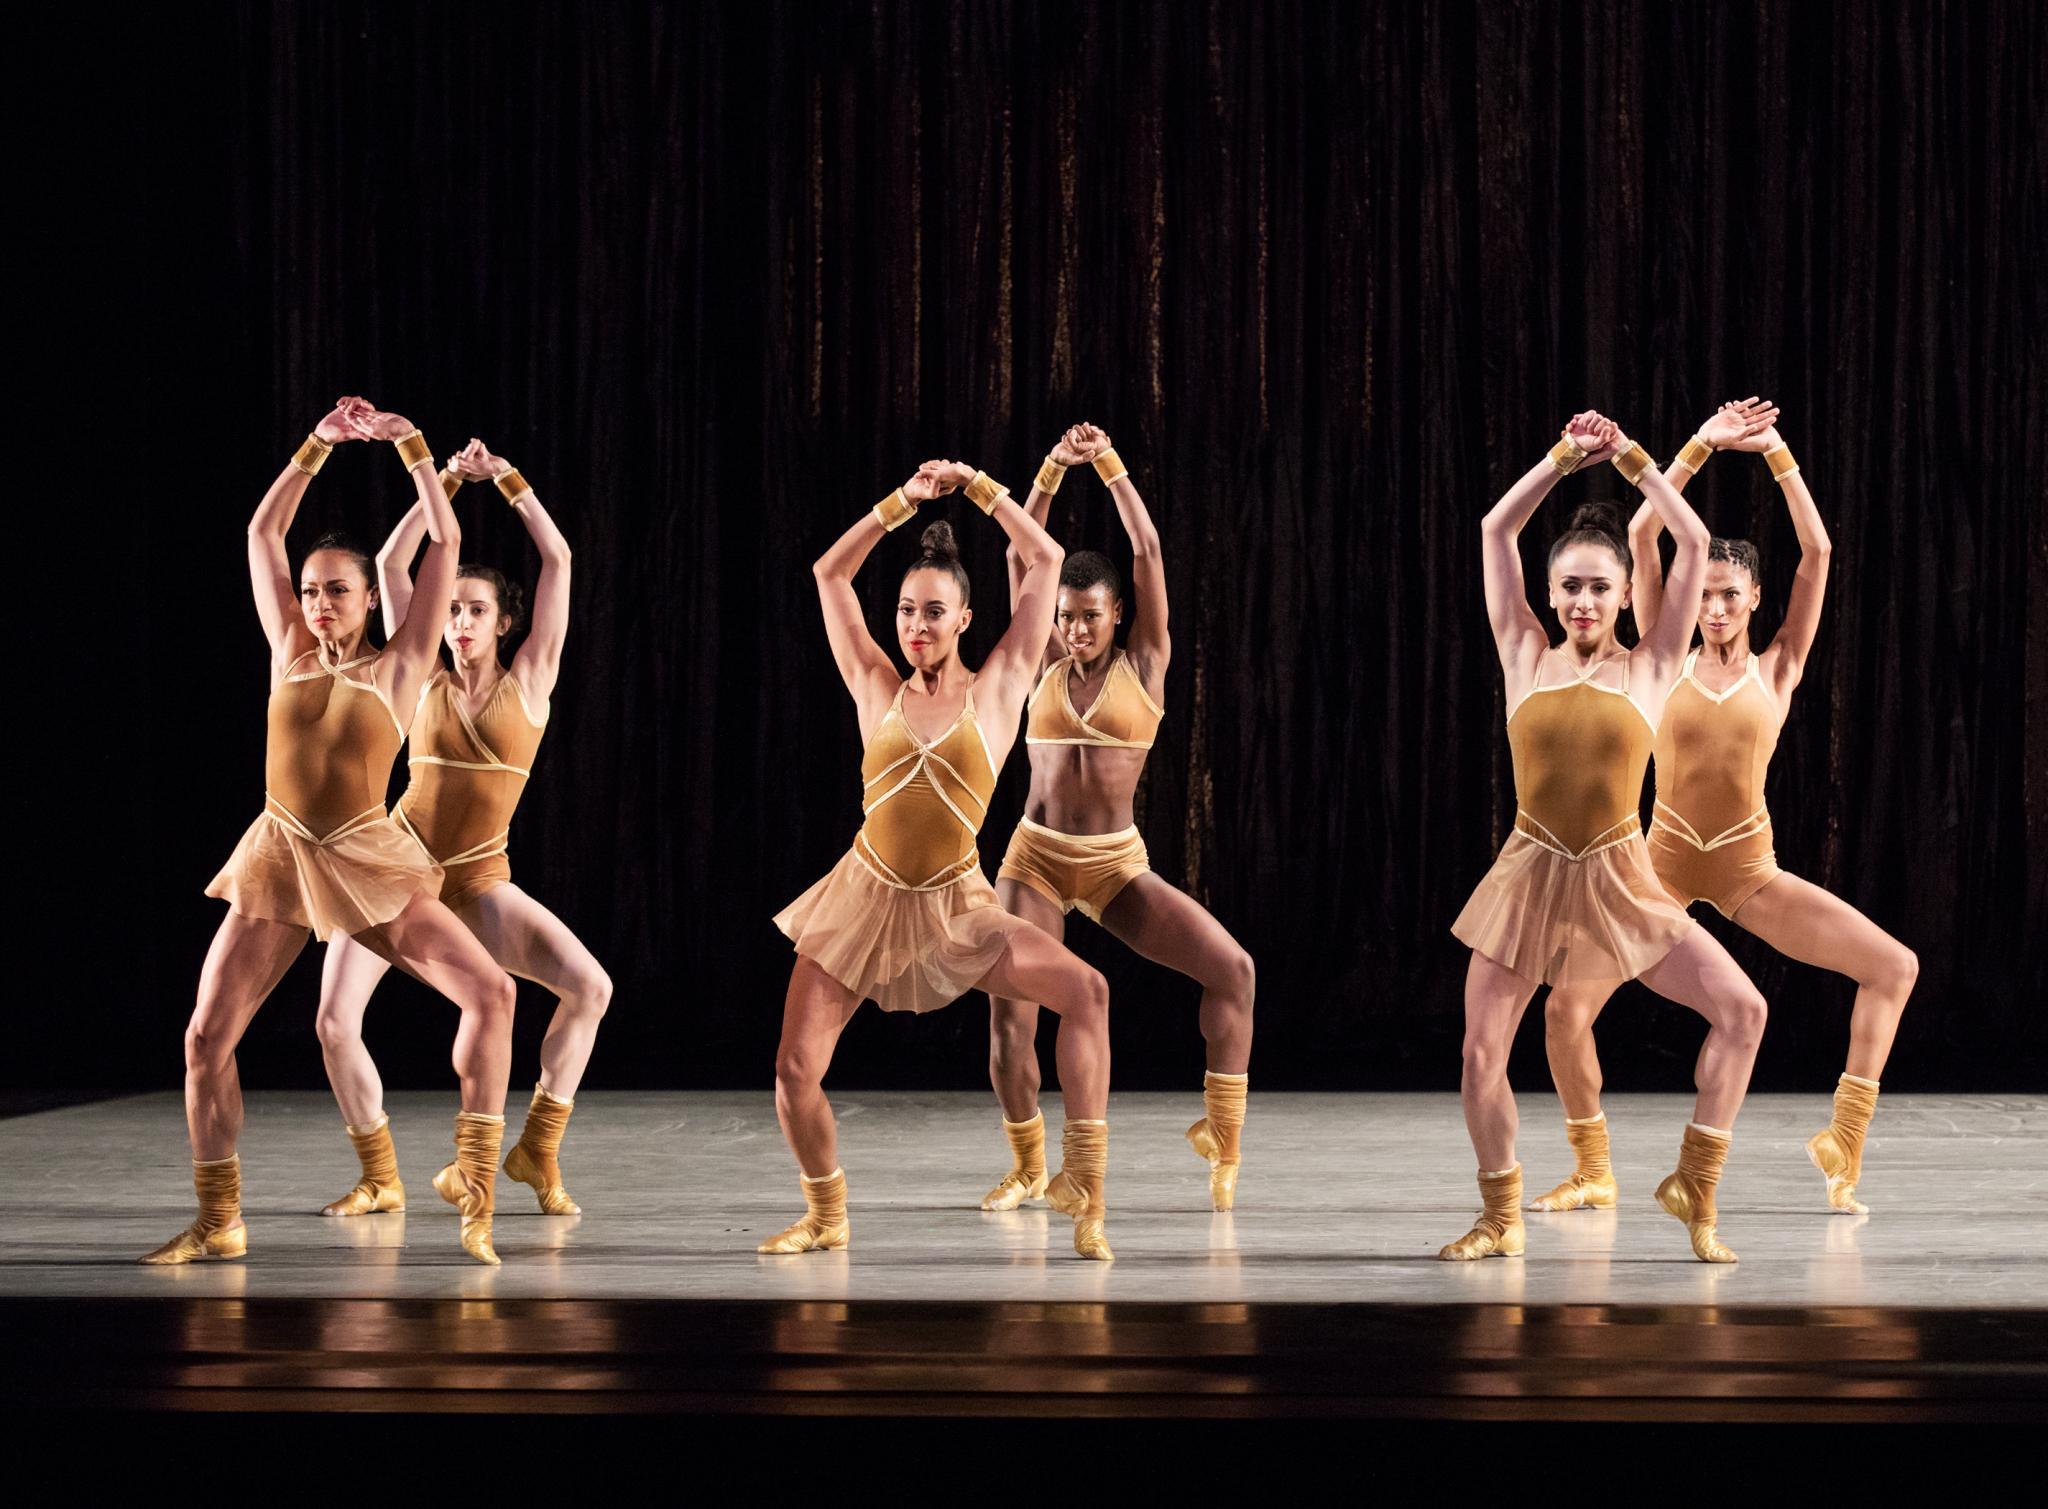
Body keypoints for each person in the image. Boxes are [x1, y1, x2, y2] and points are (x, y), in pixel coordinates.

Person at [148, 400, 518, 1267]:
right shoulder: (287, 647)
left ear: (365, 599)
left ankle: (474, 1188)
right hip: (279, 852)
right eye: (310, 590)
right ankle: (219, 1218)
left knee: (491, 993)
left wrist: (412, 450)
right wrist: (316, 445)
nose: (317, 603)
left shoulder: (399, 664)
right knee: (205, 1039)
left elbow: (446, 546)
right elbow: (260, 528)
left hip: (364, 854)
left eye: (337, 590)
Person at [1534, 404, 1917, 1219]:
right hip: (1657, 864)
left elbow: (1818, 552)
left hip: (1750, 866)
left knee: (1894, 966)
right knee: (1565, 1009)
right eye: (1702, 595)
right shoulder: (1663, 654)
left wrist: (1778, 452)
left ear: (1753, 600)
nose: (1712, 609)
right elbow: (1643, 535)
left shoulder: (1778, 669)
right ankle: (1592, 1165)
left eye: (1727, 597)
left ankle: (1844, 1141)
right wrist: (1701, 445)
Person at [766, 461, 1117, 1260]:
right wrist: (902, 503)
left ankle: (1087, 1192)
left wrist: (985, 488)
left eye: (933, 613)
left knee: (1087, 991)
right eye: (905, 611)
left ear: (965, 618)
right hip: (863, 897)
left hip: (957, 905)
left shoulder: (997, 688)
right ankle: (827, 1214)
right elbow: (829, 571)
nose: (915, 626)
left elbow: (1049, 564)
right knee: (793, 1071)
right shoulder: (872, 684)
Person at [1446, 409, 1773, 1264]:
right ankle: (1500, 1214)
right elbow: (1495, 526)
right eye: (1572, 586)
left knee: (1743, 1011)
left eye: (1601, 586)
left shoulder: (1652, 665)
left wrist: (1632, 459)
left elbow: (1693, 541)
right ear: (1550, 596)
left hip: (1623, 877)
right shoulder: (1523, 652)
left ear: (1627, 593)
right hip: (1527, 874)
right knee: (1482, 1053)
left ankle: (1695, 1187)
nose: (1585, 600)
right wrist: (1561, 457)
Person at [315, 438, 609, 1226]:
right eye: (451, 609)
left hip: (478, 882)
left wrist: (508, 480)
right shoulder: (423, 678)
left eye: (476, 608)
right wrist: (441, 481)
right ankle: (380, 1174)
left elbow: (560, 556)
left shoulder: (533, 678)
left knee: (590, 987)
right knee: (333, 1023)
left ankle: (538, 1143)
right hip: (392, 872)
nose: (460, 620)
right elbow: (388, 563)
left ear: (505, 621)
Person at [982, 423, 1254, 1215]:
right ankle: (1031, 1161)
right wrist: (1045, 471)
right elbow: (1016, 558)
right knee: (1009, 1024)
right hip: (1033, 859)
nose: (1074, 629)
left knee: (1234, 970)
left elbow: (1148, 546)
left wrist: (1103, 464)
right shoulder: (1039, 660)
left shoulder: (1149, 664)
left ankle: (1225, 1139)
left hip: (1114, 862)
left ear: (1117, 614)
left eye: (1089, 616)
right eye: (1064, 615)